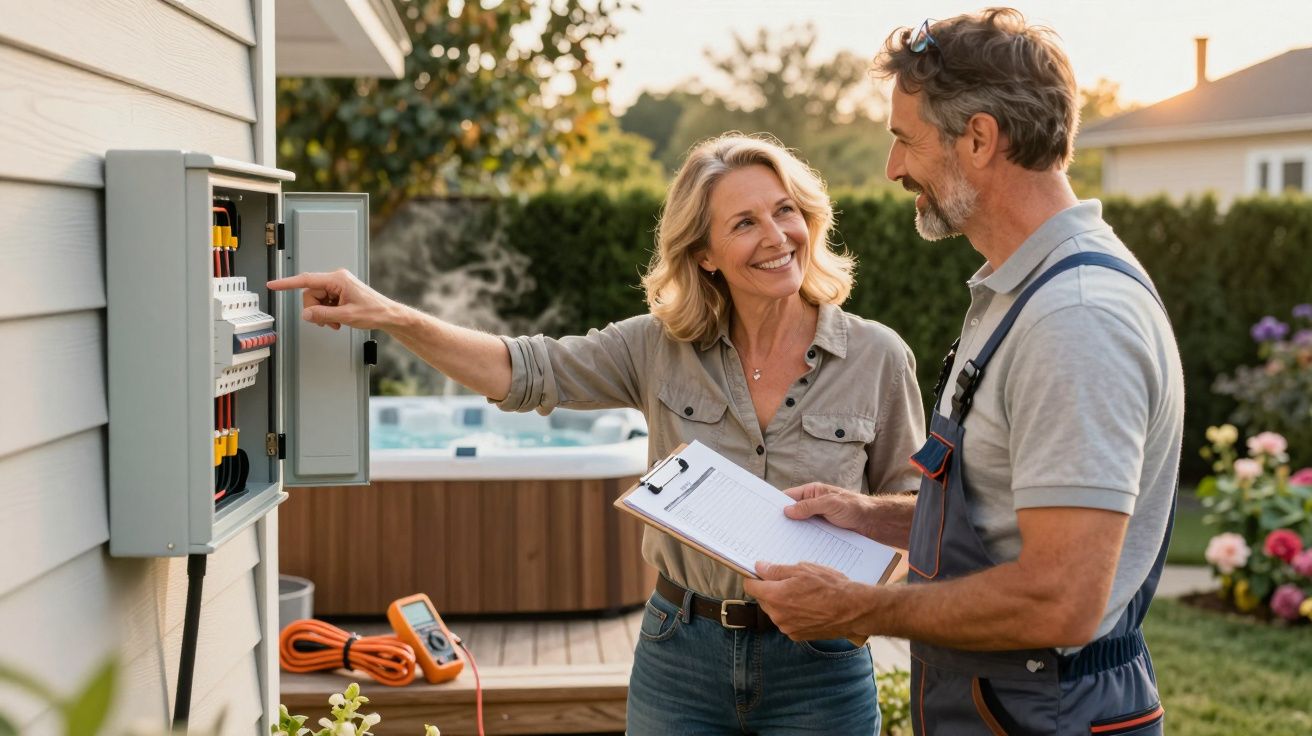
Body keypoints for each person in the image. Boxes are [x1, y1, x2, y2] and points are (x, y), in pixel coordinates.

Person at [269, 133, 926, 735]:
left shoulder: (878, 357)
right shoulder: (657, 348)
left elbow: (921, 516)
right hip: (682, 654)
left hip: (821, 665)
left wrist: (858, 606)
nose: (777, 236)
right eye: (745, 223)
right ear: (704, 253)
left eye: (785, 211)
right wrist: (388, 315)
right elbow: (524, 370)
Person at [744, 9, 1184, 735]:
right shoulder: (1019, 291)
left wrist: (858, 608)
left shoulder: (1074, 319)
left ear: (978, 138)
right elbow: (1012, 514)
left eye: (904, 140)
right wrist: (868, 516)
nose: (893, 170)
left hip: (1048, 714)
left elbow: (1059, 597)